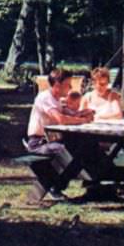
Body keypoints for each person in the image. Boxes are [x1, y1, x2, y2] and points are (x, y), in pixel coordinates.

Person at [25, 68, 94, 200]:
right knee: (68, 152)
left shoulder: (57, 100)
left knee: (83, 148)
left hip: (50, 141)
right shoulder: (45, 97)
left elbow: (70, 114)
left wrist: (84, 113)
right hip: (38, 144)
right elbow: (61, 119)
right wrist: (83, 120)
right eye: (68, 85)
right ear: (57, 85)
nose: (70, 88)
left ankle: (59, 186)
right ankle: (54, 187)